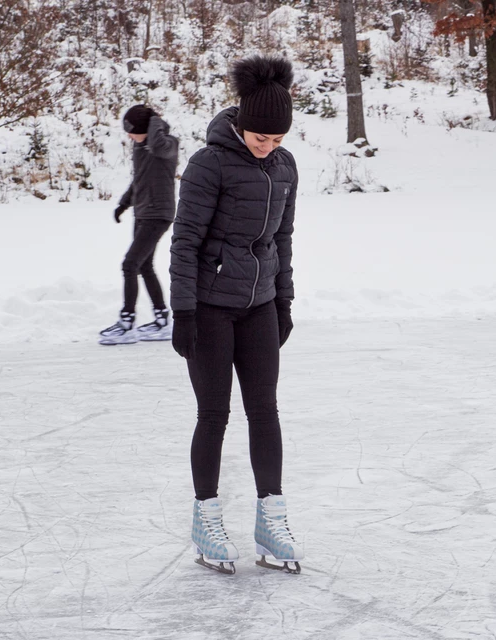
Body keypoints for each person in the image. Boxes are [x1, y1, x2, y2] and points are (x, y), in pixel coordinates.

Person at [169, 55, 303, 574]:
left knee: (265, 411)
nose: (268, 147)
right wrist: (183, 310)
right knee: (214, 415)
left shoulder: (286, 167)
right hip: (208, 308)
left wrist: (284, 298)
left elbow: (282, 239)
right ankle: (206, 517)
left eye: (276, 140)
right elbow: (184, 242)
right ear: (240, 123)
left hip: (260, 305)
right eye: (259, 138)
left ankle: (271, 519)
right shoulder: (210, 163)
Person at [99, 105, 179, 345]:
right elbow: (139, 180)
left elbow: (158, 146)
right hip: (143, 213)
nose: (129, 136)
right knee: (143, 266)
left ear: (147, 128)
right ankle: (163, 319)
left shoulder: (168, 144)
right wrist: (124, 204)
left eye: (132, 130)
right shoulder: (140, 146)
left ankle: (127, 323)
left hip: (159, 214)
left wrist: (154, 120)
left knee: (130, 264)